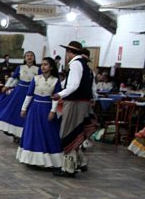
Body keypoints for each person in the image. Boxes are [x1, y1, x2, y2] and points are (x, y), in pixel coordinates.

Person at [51, 41, 97, 177]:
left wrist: (59, 94)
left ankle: (69, 168)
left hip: (75, 102)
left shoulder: (76, 64)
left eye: (67, 52)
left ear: (70, 52)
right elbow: (92, 89)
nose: (66, 55)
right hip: (83, 103)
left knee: (68, 133)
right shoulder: (87, 68)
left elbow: (73, 85)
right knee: (76, 132)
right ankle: (79, 163)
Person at [0, 51, 39, 140]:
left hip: (31, 92)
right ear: (24, 58)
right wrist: (6, 86)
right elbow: (12, 78)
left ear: (34, 58)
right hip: (19, 92)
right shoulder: (20, 67)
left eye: (31, 56)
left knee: (28, 112)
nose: (29, 57)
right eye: (27, 56)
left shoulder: (38, 69)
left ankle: (25, 133)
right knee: (15, 110)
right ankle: (15, 133)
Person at [16, 57, 63, 168]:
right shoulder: (36, 79)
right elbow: (29, 95)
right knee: (33, 133)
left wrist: (53, 111)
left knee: (49, 133)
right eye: (42, 64)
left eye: (45, 64)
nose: (43, 66)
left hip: (47, 109)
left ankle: (50, 161)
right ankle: (32, 160)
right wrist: (23, 108)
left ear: (51, 67)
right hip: (35, 109)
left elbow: (56, 98)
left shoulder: (56, 81)